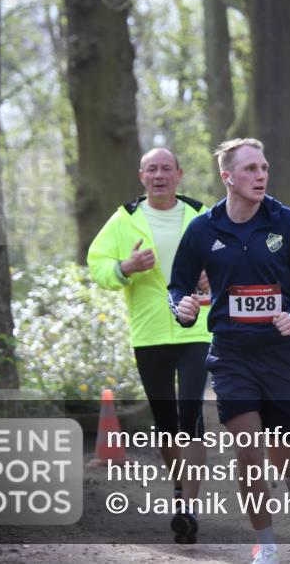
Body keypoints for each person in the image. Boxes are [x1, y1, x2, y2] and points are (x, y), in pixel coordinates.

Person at [169, 138, 290, 564]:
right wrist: (181, 308)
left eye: (264, 168)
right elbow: (178, 286)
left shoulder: (285, 222)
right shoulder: (203, 229)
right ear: (227, 177)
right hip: (231, 355)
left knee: (282, 447)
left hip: (281, 355)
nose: (260, 176)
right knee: (249, 451)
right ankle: (266, 543)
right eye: (251, 169)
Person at [87, 147, 211, 544]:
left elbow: (232, 258)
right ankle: (180, 489)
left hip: (195, 328)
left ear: (180, 174)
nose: (159, 175)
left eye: (166, 169)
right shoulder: (124, 218)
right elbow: (97, 264)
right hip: (150, 332)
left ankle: (187, 508)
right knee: (166, 426)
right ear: (142, 176)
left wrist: (215, 276)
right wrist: (125, 267)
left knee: (191, 417)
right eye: (151, 169)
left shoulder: (201, 214)